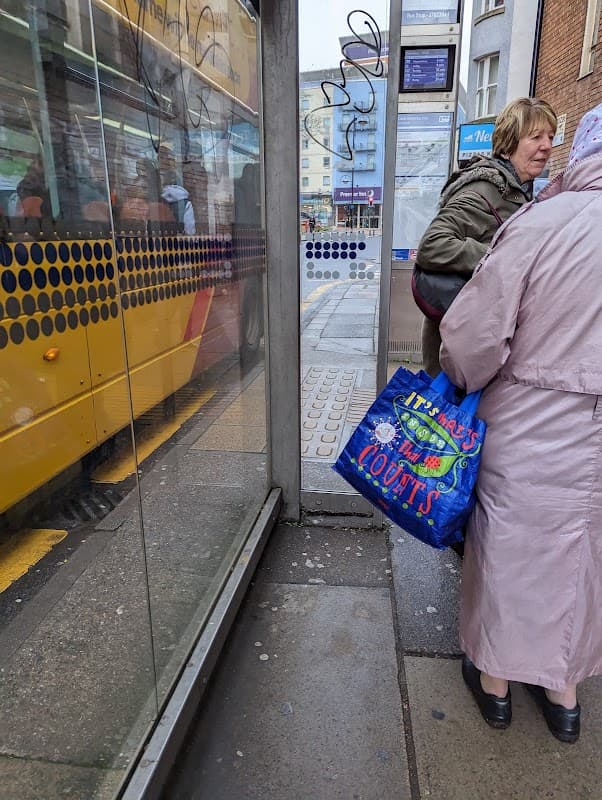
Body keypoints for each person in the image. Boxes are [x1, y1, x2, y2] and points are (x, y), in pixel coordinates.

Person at [438, 103, 602, 743]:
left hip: (529, 426)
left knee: (510, 550)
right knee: (583, 560)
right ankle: (564, 697)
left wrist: (459, 376)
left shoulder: (543, 224)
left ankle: (498, 687)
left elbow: (476, 338)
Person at [415, 97, 557, 377]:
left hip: (474, 343)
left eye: (550, 137)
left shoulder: (514, 190)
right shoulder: (483, 190)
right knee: (446, 420)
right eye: (536, 136)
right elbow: (432, 245)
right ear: (509, 144)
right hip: (458, 350)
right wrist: (502, 256)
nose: (547, 146)